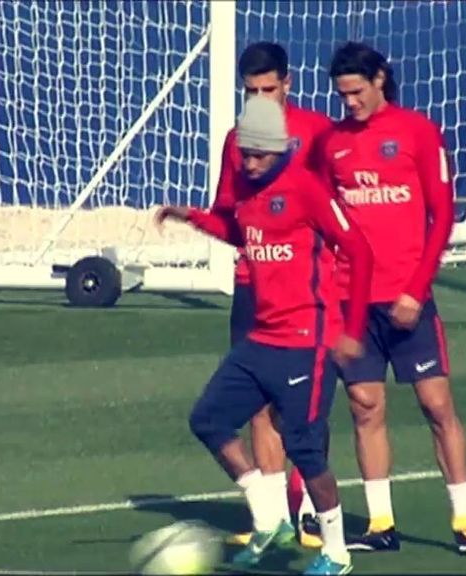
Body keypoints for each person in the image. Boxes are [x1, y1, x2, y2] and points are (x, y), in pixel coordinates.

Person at [156, 95, 373, 575]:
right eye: (244, 156)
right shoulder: (251, 193)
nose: (249, 164)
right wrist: (189, 215)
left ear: (280, 150)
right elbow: (241, 231)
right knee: (208, 419)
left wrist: (352, 328)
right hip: (262, 340)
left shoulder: (308, 189)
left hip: (306, 343)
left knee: (305, 449)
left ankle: (336, 553)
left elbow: (358, 249)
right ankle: (268, 514)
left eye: (258, 156)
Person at [317, 41, 466, 556]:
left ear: (380, 80)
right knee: (365, 407)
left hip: (408, 300)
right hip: (354, 302)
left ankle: (464, 520)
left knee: (437, 406)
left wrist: (416, 289)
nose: (350, 103)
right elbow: (325, 223)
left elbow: (442, 216)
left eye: (356, 92)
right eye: (342, 95)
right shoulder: (332, 145)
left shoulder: (417, 132)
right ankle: (380, 524)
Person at [212, 41, 333, 549]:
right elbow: (224, 211)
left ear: (288, 83)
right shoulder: (237, 140)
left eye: (268, 88)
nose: (260, 98)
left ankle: (309, 513)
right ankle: (272, 517)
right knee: (259, 406)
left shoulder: (318, 132)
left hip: (307, 290)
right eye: (251, 91)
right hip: (251, 287)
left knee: (301, 409)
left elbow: (338, 210)